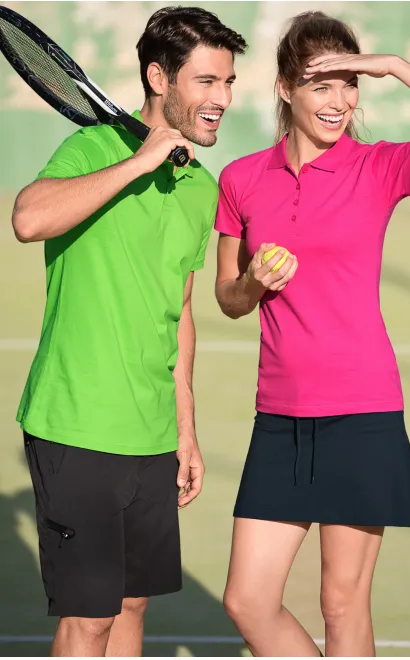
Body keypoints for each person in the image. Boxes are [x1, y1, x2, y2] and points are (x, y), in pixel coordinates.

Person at [12, 6, 246, 657]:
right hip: (77, 423)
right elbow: (28, 218)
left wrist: (186, 428)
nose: (223, 99)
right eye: (206, 81)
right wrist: (138, 164)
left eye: (228, 82)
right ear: (158, 78)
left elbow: (180, 308)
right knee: (89, 617)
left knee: (133, 603)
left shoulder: (200, 187)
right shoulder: (91, 149)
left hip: (152, 431)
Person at [214, 10, 410, 657]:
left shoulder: (379, 167)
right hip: (280, 417)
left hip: (362, 412)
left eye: (350, 83)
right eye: (321, 85)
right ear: (285, 89)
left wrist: (393, 66)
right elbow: (228, 298)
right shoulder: (241, 179)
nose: (339, 101)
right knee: (247, 600)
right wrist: (253, 281)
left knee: (342, 606)